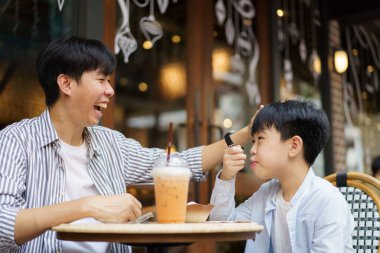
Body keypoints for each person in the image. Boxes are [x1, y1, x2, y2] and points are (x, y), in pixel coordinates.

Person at [0, 36, 256, 253]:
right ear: (66, 83)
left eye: (109, 81)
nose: (110, 91)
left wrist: (244, 134)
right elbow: (3, 226)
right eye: (101, 80)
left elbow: (176, 164)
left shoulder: (110, 143)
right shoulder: (17, 141)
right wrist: (86, 206)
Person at [210, 100, 355, 252]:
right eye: (253, 141)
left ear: (294, 146)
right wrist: (226, 177)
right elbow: (223, 226)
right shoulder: (266, 193)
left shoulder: (327, 200)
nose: (252, 150)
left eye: (261, 139)